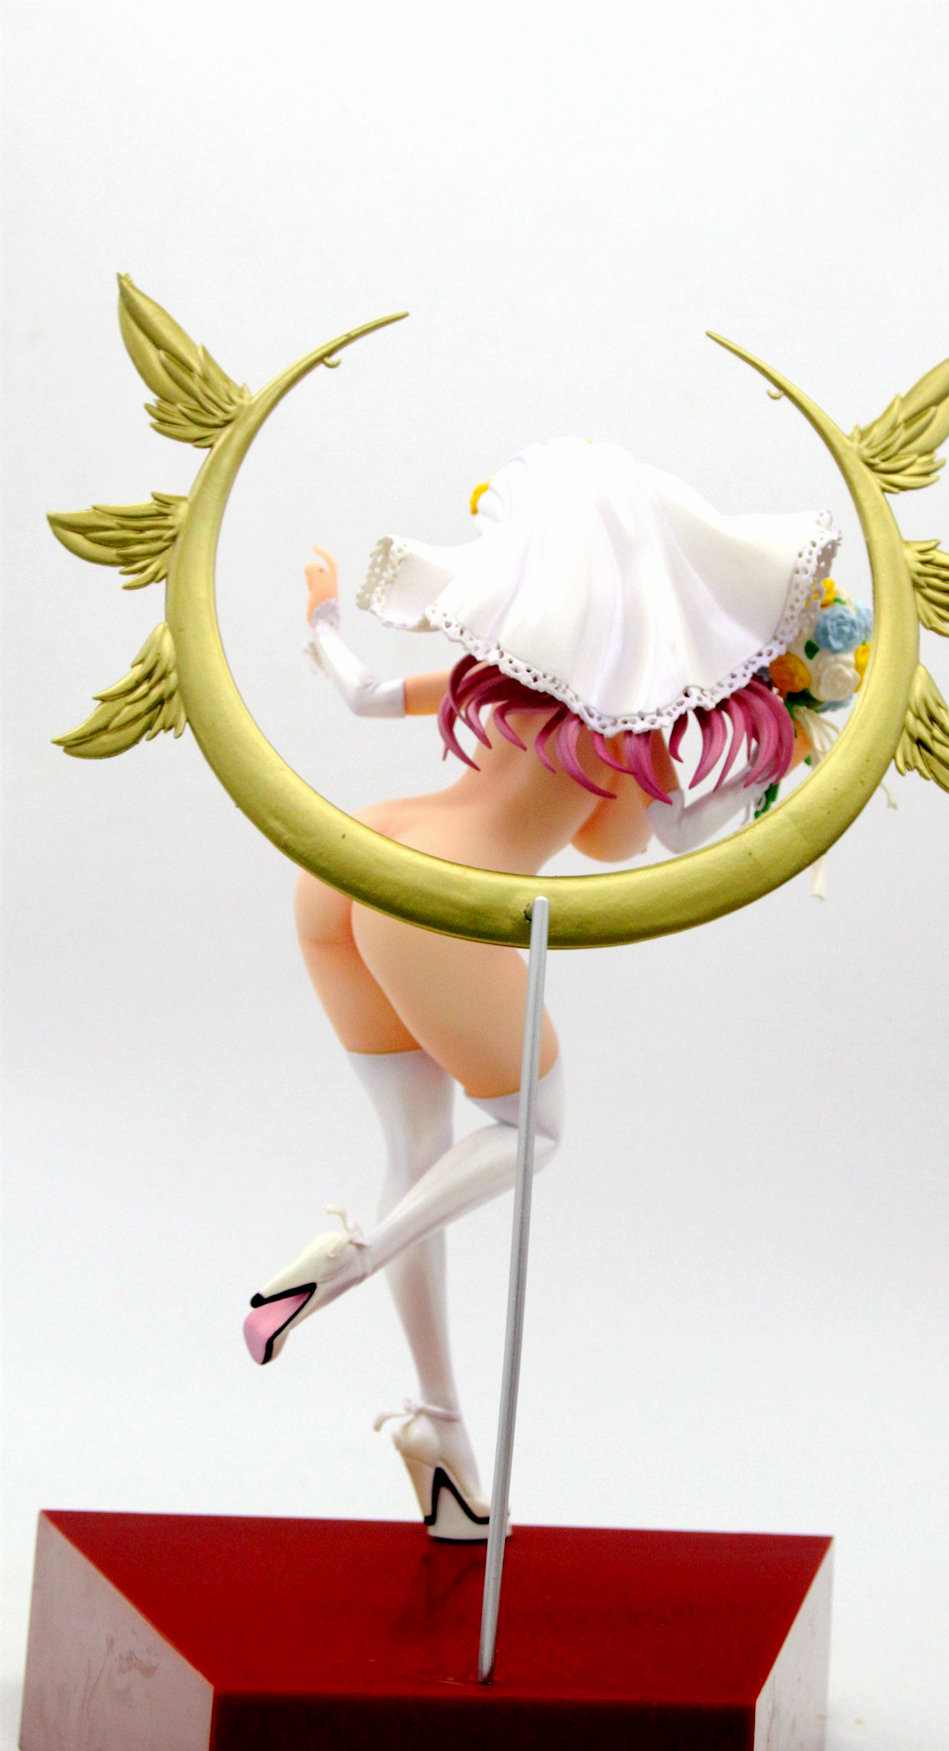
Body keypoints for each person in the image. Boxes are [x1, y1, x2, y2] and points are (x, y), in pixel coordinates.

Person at [244, 438, 839, 1538]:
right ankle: (349, 1261)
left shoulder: (500, 676)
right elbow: (656, 842)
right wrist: (775, 757)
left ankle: (440, 1435)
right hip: (438, 901)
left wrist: (323, 615)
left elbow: (364, 693)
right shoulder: (632, 732)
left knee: (415, 1153)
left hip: (353, 860)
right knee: (532, 1129)